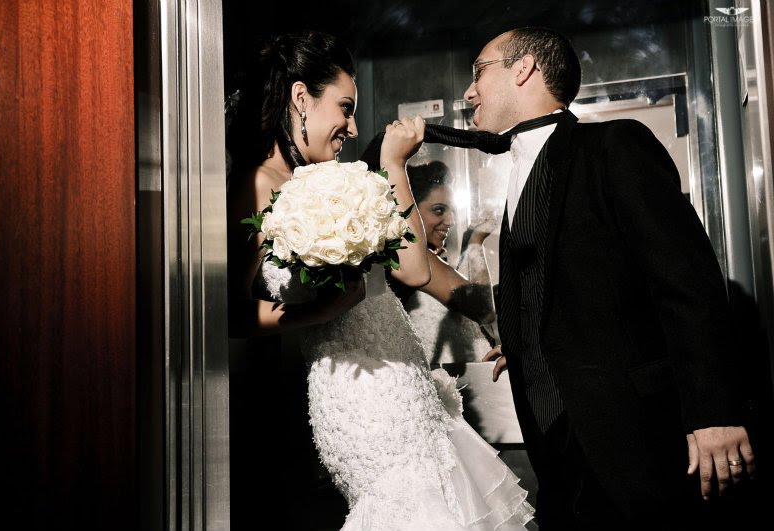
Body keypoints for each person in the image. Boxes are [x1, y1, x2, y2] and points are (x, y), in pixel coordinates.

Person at [226, 30, 534, 530]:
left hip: (408, 384)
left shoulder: (340, 180)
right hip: (360, 400)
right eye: (345, 108)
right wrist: (317, 312)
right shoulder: (258, 186)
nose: (352, 127)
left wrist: (393, 164)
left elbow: (415, 268)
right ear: (301, 98)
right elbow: (227, 314)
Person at [462, 26, 759, 530]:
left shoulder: (615, 145)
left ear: (524, 68)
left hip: (636, 435)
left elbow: (687, 283)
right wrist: (528, 339)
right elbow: (572, 278)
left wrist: (714, 412)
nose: (470, 91)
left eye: (479, 72)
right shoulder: (516, 171)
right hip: (555, 443)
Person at [388, 160, 499, 365]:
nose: (451, 221)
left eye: (452, 211)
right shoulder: (411, 257)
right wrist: (475, 241)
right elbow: (484, 310)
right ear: (411, 211)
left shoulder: (405, 254)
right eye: (439, 210)